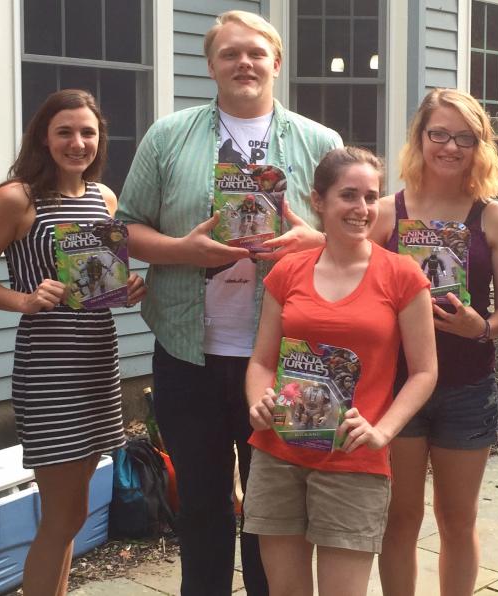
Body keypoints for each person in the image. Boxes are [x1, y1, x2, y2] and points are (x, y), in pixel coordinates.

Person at [116, 10, 341, 595]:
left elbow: (354, 237)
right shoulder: (169, 136)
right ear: (211, 65)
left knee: (273, 513)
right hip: (189, 355)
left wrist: (317, 240)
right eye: (230, 53)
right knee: (203, 505)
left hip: (285, 356)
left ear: (276, 62)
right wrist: (184, 250)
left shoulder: (321, 143)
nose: (244, 62)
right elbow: (126, 229)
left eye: (256, 53)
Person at [0, 89, 145, 596]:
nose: (77, 142)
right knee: (61, 517)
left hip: (98, 363)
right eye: (65, 131)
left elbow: (100, 285)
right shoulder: (17, 197)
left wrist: (126, 291)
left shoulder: (103, 198)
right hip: (50, 369)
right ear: (44, 136)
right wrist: (24, 299)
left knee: (75, 514)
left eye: (88, 132)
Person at [244, 147, 438, 596]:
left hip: (354, 460)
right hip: (279, 454)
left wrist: (383, 432)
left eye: (371, 197)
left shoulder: (403, 275)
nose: (362, 209)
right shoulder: (288, 271)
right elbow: (261, 361)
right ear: (319, 201)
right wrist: (258, 400)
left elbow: (425, 371)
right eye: (348, 195)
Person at [372, 89, 498, 595]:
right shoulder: (384, 214)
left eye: (465, 137)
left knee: (458, 520)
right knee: (400, 518)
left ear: (479, 145)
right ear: (420, 138)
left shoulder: (494, 218)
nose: (450, 147)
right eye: (439, 134)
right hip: (398, 385)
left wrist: (479, 327)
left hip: (467, 385)